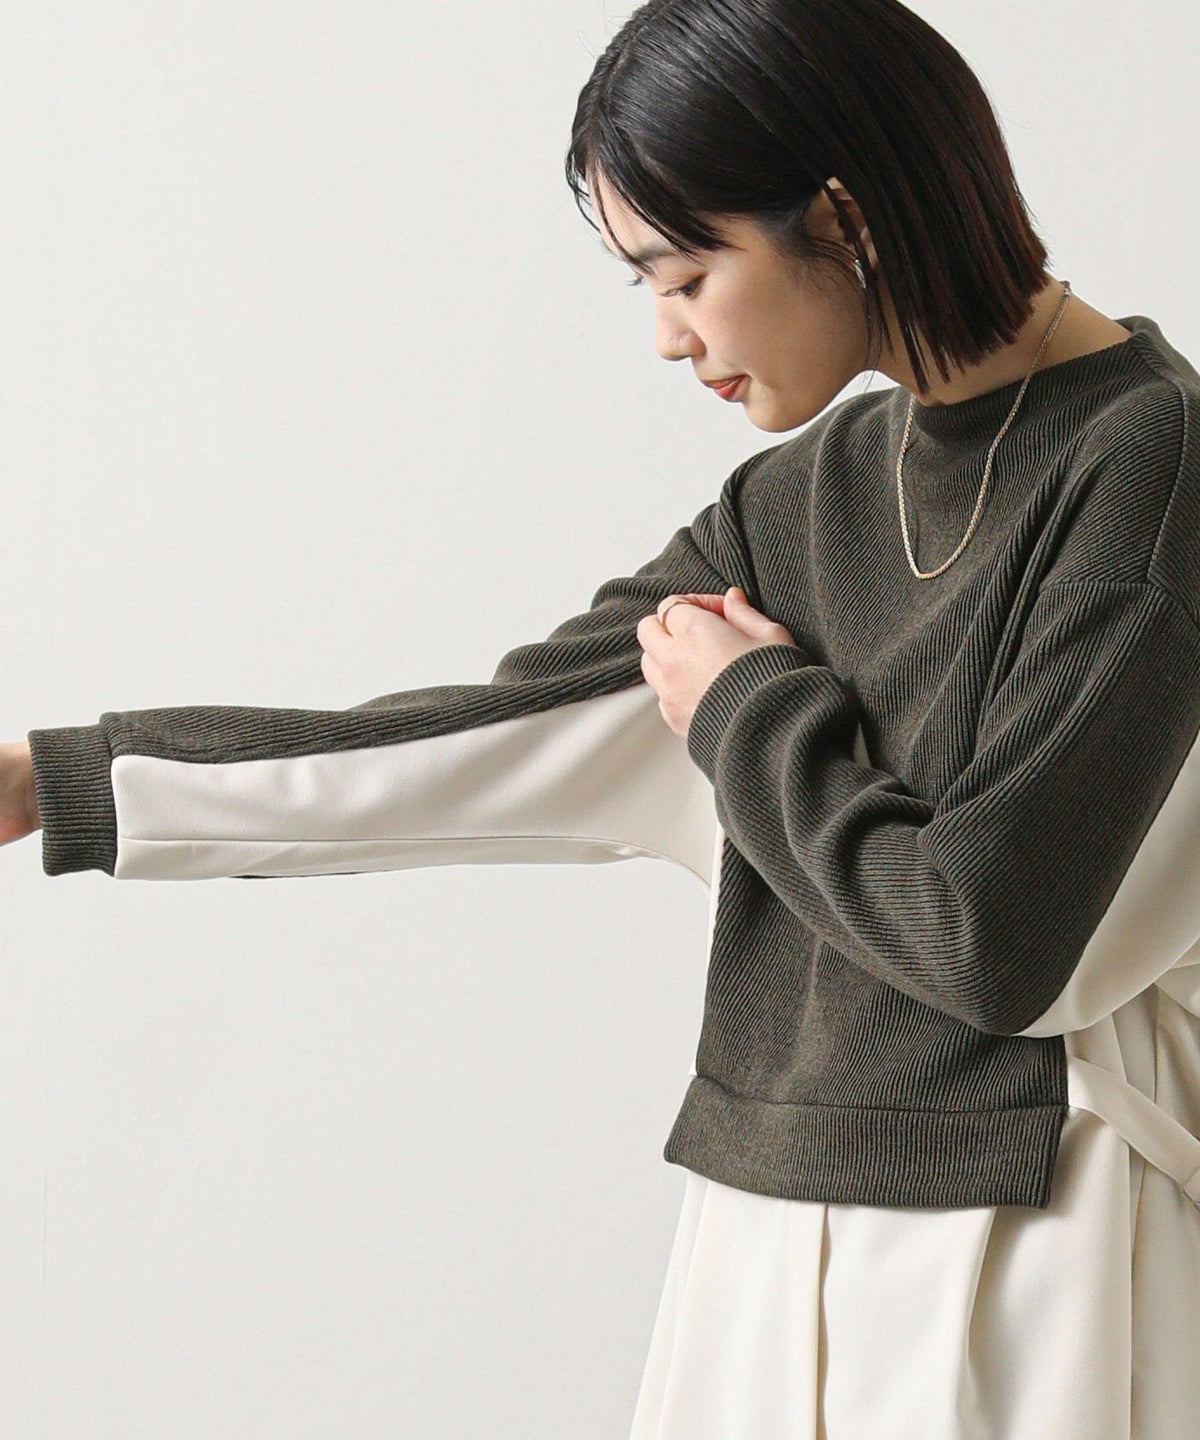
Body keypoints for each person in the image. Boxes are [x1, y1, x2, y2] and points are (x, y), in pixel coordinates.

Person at [4, 0, 1200, 1434]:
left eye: (687, 273)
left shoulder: (1154, 463)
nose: (667, 337)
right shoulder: (801, 495)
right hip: (763, 1218)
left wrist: (748, 709)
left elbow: (989, 937)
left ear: (843, 219)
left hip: (1035, 1230)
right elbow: (486, 737)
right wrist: (54, 782)